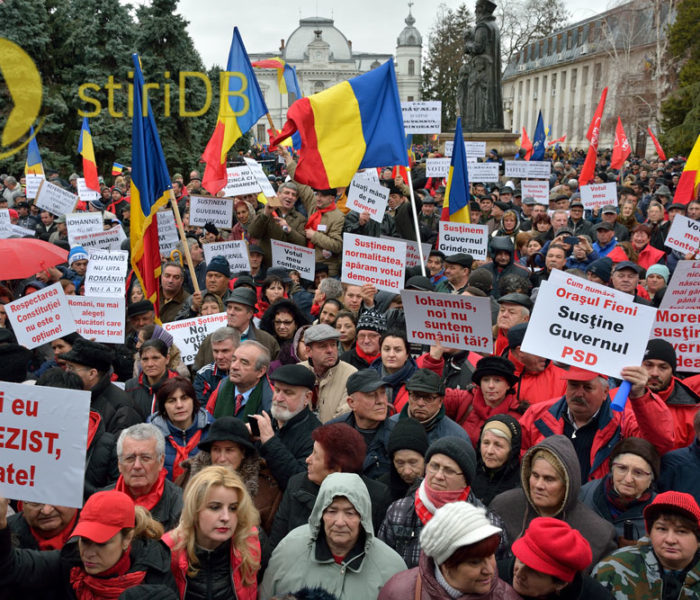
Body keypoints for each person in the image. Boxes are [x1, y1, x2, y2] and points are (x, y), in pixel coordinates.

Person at [0, 490, 178, 598]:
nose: (89, 553)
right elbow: (11, 565)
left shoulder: (155, 574)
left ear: (127, 539)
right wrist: (1, 526)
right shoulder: (71, 562)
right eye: (85, 541)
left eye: (101, 543)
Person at [260, 472, 406, 599]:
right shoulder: (289, 550)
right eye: (332, 511)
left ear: (363, 517)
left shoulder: (391, 568)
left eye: (350, 513)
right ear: (320, 513)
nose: (340, 522)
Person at [519, 365, 675, 481]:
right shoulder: (537, 414)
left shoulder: (624, 422)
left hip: (598, 509)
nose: (579, 393)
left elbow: (659, 444)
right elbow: (520, 457)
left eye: (588, 387)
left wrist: (640, 396)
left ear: (605, 392)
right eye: (573, 385)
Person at [489, 435, 617, 567]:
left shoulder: (598, 534)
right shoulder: (503, 507)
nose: (538, 485)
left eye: (549, 479)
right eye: (535, 475)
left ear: (567, 484)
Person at [379, 436, 505, 568]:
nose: (438, 476)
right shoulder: (399, 511)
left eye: (449, 470)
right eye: (434, 466)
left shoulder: (488, 525)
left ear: (465, 480)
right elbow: (383, 566)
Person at [268, 422, 391, 549]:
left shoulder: (376, 497)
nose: (307, 460)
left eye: (316, 455)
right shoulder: (297, 485)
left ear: (336, 471)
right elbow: (277, 543)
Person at [380, 502, 520, 600]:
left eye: (490, 556)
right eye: (475, 562)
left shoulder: (507, 596)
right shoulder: (398, 592)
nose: (489, 570)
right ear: (445, 563)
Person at [162, 466, 261, 600]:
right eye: (215, 507)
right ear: (195, 510)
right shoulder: (168, 549)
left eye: (233, 508)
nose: (225, 517)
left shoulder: (251, 540)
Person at [176, 417, 281, 534]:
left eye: (229, 450)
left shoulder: (267, 488)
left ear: (243, 453)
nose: (221, 458)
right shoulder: (188, 478)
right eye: (216, 450)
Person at [593, 491, 700, 599]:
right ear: (650, 533)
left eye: (681, 531)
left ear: (698, 538)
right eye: (661, 529)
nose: (670, 540)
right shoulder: (613, 569)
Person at [499, 517, 610, 600]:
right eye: (521, 560)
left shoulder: (596, 596)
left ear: (560, 584)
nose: (519, 573)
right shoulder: (494, 579)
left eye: (533, 571)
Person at [250, 364, 322, 489]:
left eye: (288, 393)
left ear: (307, 397)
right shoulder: (266, 418)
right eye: (277, 390)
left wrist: (270, 442)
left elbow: (299, 483)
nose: (278, 398)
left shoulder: (316, 435)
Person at [579, 437, 660, 543]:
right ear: (612, 469)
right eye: (622, 468)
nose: (628, 479)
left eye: (638, 473)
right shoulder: (584, 495)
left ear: (651, 479)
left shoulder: (658, 511)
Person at [108, 423, 184, 531]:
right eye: (130, 458)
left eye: (145, 458)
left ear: (161, 461)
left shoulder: (181, 505)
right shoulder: (100, 501)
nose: (137, 466)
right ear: (119, 464)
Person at [59, 338, 142, 435]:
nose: (67, 372)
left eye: (71, 368)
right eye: (67, 367)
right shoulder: (72, 396)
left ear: (92, 373)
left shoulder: (123, 410)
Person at [443, 356, 527, 446]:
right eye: (486, 380)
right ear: (479, 384)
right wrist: (434, 360)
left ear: (508, 385)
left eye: (497, 380)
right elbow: (434, 394)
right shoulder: (464, 399)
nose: (491, 385)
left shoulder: (520, 417)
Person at [330, 368, 392, 480]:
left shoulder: (397, 435)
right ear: (351, 402)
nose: (380, 401)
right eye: (371, 395)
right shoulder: (332, 433)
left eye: (383, 393)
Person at [148, 376, 213, 481]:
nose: (179, 405)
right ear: (163, 407)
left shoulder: (211, 429)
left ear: (193, 401)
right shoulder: (151, 434)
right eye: (171, 400)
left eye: (184, 398)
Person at [642, 338, 700, 450]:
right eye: (648, 365)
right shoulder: (615, 399)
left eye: (663, 367)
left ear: (672, 371)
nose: (654, 373)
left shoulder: (691, 411)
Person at [388, 369, 472, 445]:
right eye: (415, 396)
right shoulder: (389, 426)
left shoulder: (457, 436)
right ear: (409, 396)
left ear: (440, 401)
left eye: (428, 398)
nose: (420, 403)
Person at [298, 324, 356, 423]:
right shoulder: (298, 371)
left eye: (333, 344)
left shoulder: (351, 374)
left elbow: (344, 417)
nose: (330, 350)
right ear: (308, 351)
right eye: (323, 346)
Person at [206, 340, 273, 419]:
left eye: (244, 363)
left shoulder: (271, 398)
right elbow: (207, 421)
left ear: (260, 372)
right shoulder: (222, 387)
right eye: (233, 360)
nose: (234, 366)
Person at [472, 415, 522, 506]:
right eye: (486, 443)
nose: (489, 451)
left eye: (498, 445)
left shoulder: (520, 485)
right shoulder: (468, 472)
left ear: (512, 449)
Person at [126, 339, 179, 419]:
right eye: (145, 359)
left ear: (167, 359)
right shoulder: (130, 386)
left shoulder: (180, 386)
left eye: (155, 358)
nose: (150, 364)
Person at [380, 417, 430, 501]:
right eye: (400, 463)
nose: (407, 471)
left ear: (425, 459)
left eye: (413, 462)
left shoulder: (439, 486)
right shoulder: (382, 490)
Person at [194, 326, 240, 406]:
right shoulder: (204, 375)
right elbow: (201, 409)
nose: (219, 357)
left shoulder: (249, 371)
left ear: (238, 349)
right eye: (215, 351)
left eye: (225, 351)